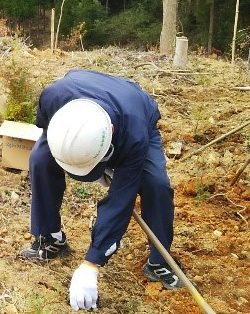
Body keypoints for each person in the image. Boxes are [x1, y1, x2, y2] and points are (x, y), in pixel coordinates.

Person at [19, 69, 186, 311]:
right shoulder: (52, 97)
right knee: (40, 160)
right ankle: (50, 237)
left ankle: (159, 262)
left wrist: (92, 263)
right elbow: (46, 129)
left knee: (155, 184)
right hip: (78, 107)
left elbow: (120, 200)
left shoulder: (134, 134)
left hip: (135, 113)